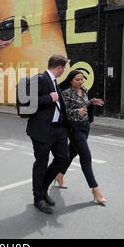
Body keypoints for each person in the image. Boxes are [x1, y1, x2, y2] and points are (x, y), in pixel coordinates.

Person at [55, 70, 107, 205]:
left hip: (85, 127)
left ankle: (59, 175)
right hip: (74, 128)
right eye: (77, 80)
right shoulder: (66, 93)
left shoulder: (84, 89)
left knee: (71, 153)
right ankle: (95, 189)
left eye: (82, 79)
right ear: (71, 80)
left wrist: (91, 102)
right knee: (86, 156)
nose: (80, 82)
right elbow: (64, 111)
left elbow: (83, 104)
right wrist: (76, 111)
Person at [27, 54, 70, 214]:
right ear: (59, 67)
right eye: (63, 68)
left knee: (63, 158)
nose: (63, 71)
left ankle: (43, 188)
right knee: (41, 164)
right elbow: (27, 100)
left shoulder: (53, 81)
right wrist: (48, 98)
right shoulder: (40, 79)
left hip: (57, 130)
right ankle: (38, 198)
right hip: (42, 130)